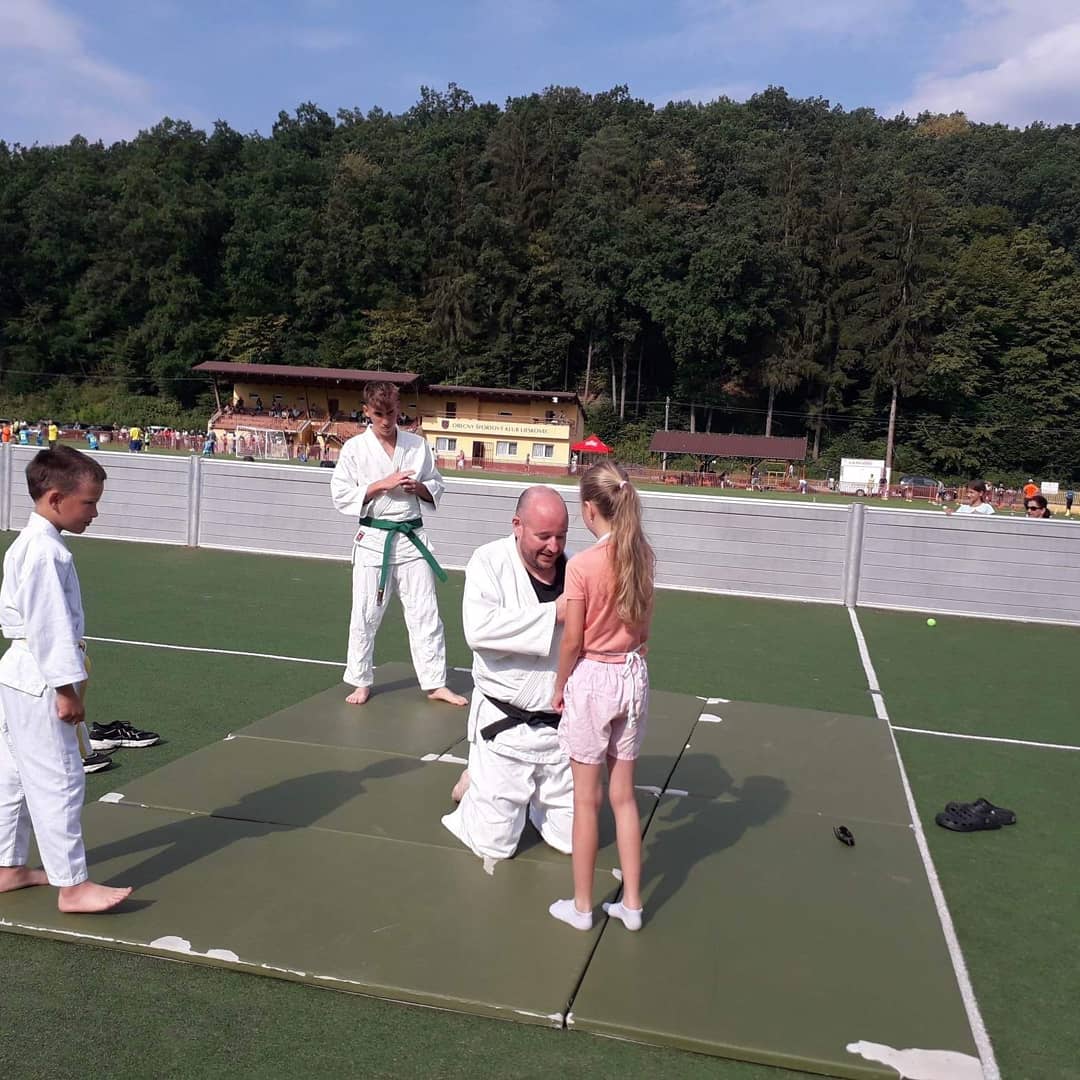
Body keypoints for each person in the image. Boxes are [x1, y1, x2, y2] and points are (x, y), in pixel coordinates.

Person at [0, 447, 133, 913]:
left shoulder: (31, 543)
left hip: (19, 676)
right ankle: (72, 887)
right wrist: (66, 690)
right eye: (89, 503)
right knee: (60, 779)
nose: (95, 513)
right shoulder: (44, 552)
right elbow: (49, 625)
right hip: (41, 678)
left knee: (14, 774)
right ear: (56, 498)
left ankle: (8, 866)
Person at [549, 462, 655, 934]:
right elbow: (644, 629)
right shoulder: (643, 555)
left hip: (594, 679)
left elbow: (572, 640)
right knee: (624, 798)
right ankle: (632, 904)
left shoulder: (582, 565)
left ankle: (582, 906)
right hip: (632, 675)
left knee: (586, 801)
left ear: (589, 509)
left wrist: (559, 686)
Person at [442, 486, 574, 862]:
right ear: (517, 525)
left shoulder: (576, 570)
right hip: (506, 727)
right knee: (494, 846)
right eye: (543, 536)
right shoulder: (489, 562)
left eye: (561, 536)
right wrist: (555, 613)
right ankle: (476, 785)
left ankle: (525, 797)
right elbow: (479, 631)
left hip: (560, 732)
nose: (553, 546)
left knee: (572, 841)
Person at [330, 381, 466, 708]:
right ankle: (361, 680)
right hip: (374, 540)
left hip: (411, 539)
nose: (386, 420)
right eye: (378, 414)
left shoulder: (417, 445)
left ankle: (435, 683)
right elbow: (341, 494)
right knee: (366, 613)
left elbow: (436, 484)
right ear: (366, 411)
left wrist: (418, 488)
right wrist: (382, 484)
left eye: (391, 412)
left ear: (398, 408)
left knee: (426, 612)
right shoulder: (355, 449)